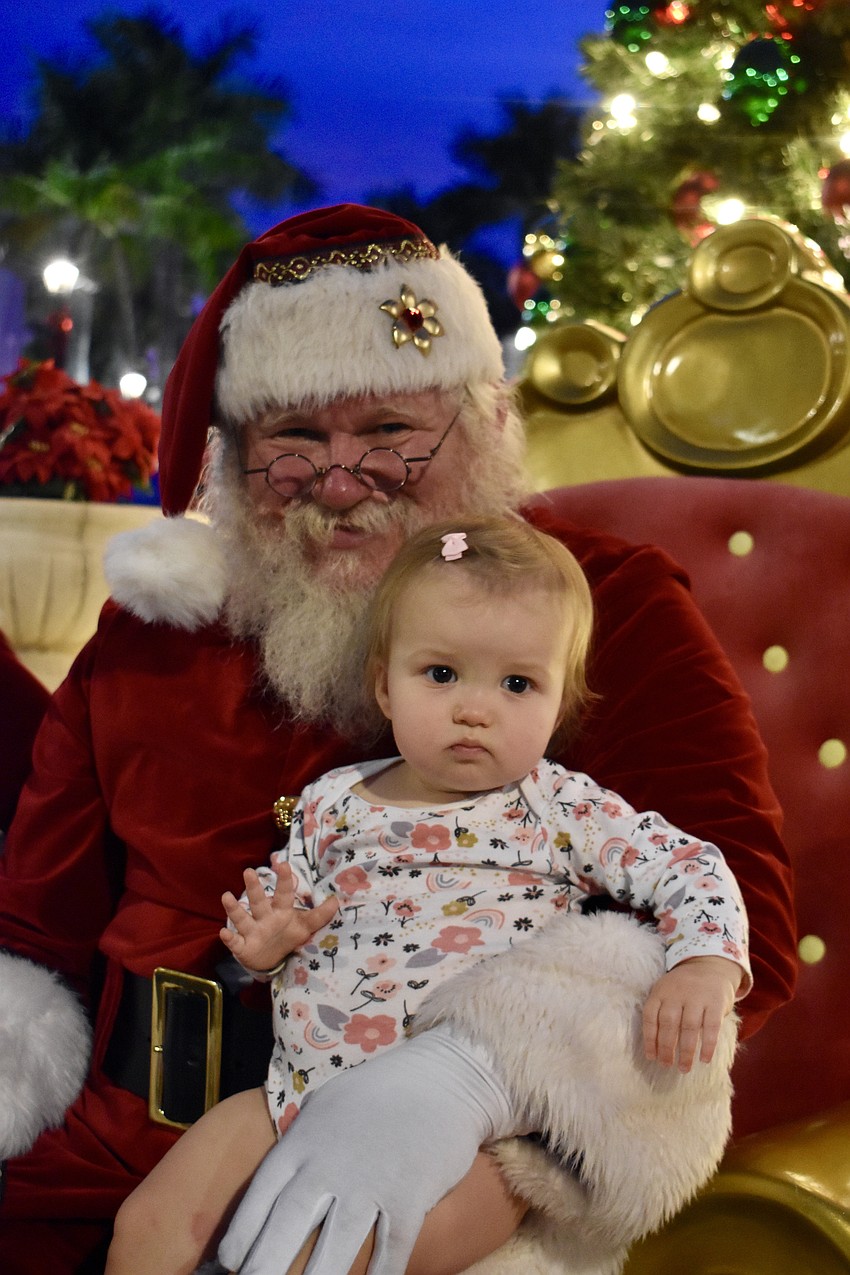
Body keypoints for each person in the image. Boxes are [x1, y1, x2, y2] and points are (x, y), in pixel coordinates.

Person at [0, 204, 795, 1275]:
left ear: (481, 420)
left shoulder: (602, 607)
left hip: (456, 1156)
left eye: (389, 431)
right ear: (232, 457)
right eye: (291, 438)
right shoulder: (156, 627)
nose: (340, 477)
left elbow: (735, 906)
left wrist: (476, 1081)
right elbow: (37, 916)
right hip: (114, 1146)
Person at [105, 516, 751, 1275]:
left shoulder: (557, 805)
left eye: (517, 683)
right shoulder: (330, 801)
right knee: (148, 1224)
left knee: (357, 1256)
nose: (474, 708)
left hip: (476, 1131)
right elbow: (294, 927)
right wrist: (268, 946)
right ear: (386, 682)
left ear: (560, 701)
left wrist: (705, 963)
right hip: (298, 1090)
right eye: (441, 674)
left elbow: (689, 863)